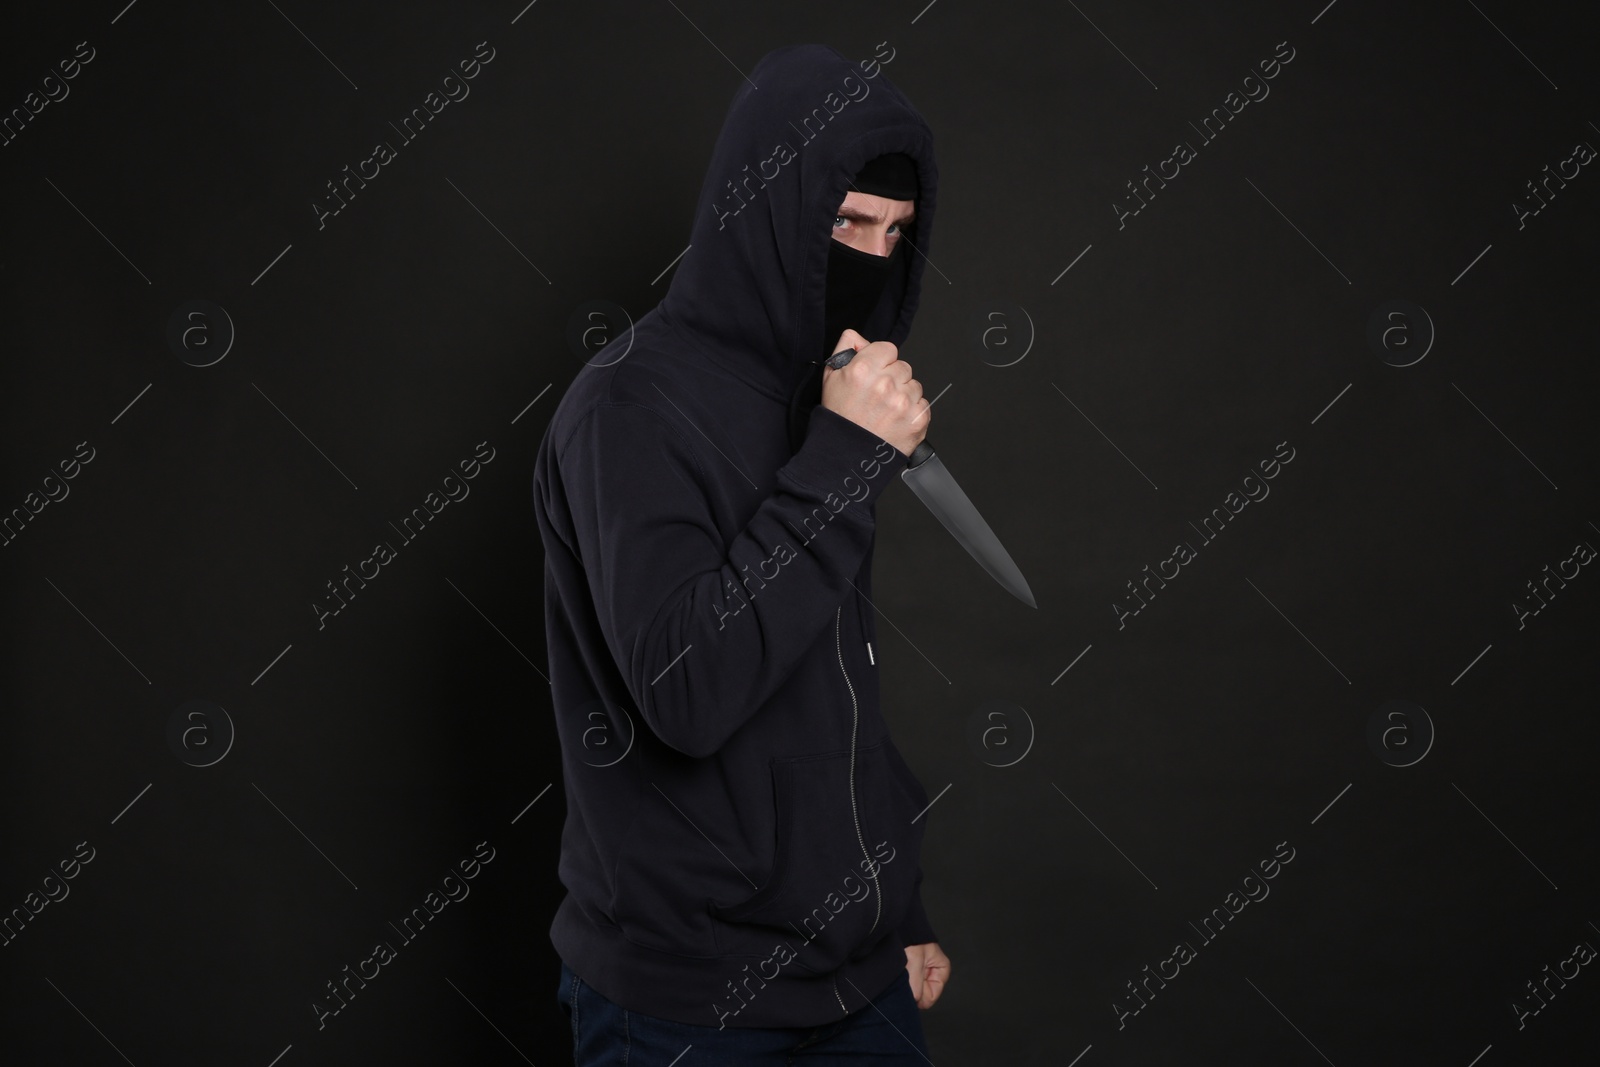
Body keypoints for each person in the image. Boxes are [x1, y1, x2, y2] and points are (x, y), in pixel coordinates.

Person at [532, 42, 951, 1064]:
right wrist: (846, 457)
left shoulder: (821, 398)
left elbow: (831, 684)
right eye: (849, 219)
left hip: (858, 978)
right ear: (768, 202)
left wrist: (899, 902)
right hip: (686, 1000)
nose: (873, 255)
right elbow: (688, 687)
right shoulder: (628, 404)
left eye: (896, 233)